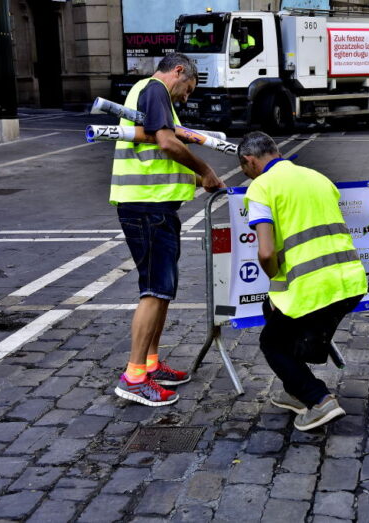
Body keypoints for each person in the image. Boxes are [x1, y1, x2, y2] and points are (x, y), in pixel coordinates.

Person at [111, 53, 225, 407]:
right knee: (154, 290)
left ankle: (150, 364)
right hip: (148, 207)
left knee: (161, 290)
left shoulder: (149, 95)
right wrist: (205, 170)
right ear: (178, 72)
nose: (186, 97)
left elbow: (160, 160)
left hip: (153, 205)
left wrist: (197, 180)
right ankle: (133, 378)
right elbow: (167, 144)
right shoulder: (155, 89)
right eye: (188, 88)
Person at [237, 131, 367, 431]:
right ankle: (296, 390)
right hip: (349, 281)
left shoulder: (261, 187)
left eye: (244, 170)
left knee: (272, 344)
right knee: (274, 316)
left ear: (249, 160)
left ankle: (319, 400)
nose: (247, 175)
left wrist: (273, 277)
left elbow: (266, 252)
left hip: (313, 287)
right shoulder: (318, 177)